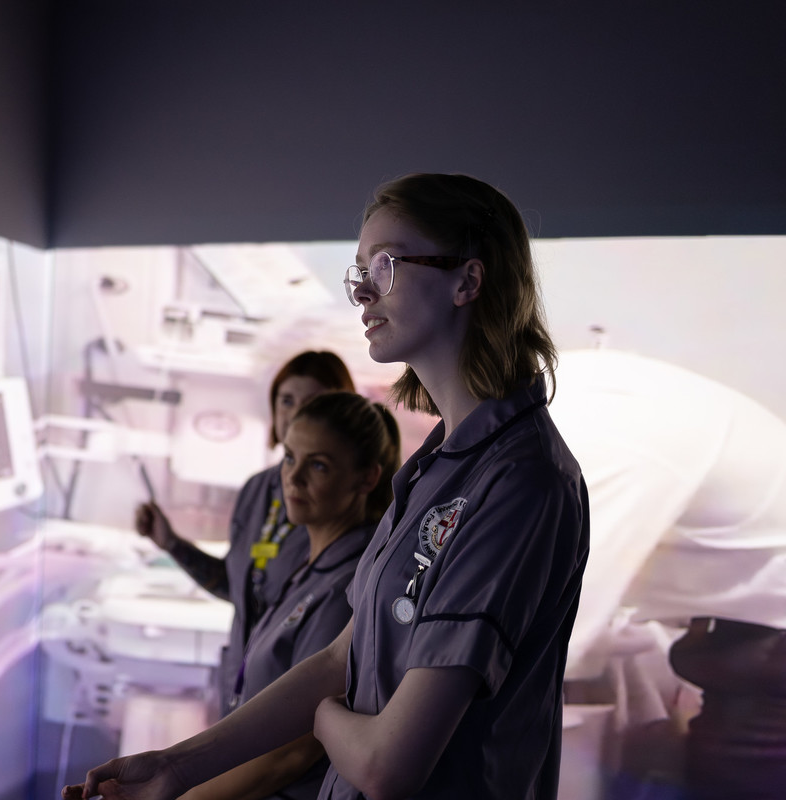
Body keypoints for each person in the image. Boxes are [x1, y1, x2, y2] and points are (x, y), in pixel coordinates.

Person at [65, 172, 588, 800]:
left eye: (386, 264)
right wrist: (175, 769)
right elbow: (345, 656)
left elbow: (385, 768)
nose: (363, 289)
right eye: (359, 270)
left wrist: (321, 716)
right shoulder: (438, 467)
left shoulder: (519, 482)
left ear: (467, 281)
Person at [547, 348, 786, 800]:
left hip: (770, 636)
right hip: (738, 626)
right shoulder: (567, 397)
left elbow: (549, 629)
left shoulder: (592, 426)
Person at [180, 391, 400, 800]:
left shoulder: (349, 585)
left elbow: (293, 753)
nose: (293, 478)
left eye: (318, 465)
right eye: (289, 458)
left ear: (367, 478)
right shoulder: (309, 566)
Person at [135, 350, 356, 717]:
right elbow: (239, 587)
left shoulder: (341, 504)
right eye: (286, 400)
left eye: (313, 402)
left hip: (297, 699)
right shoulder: (258, 491)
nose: (296, 412)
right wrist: (172, 544)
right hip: (242, 691)